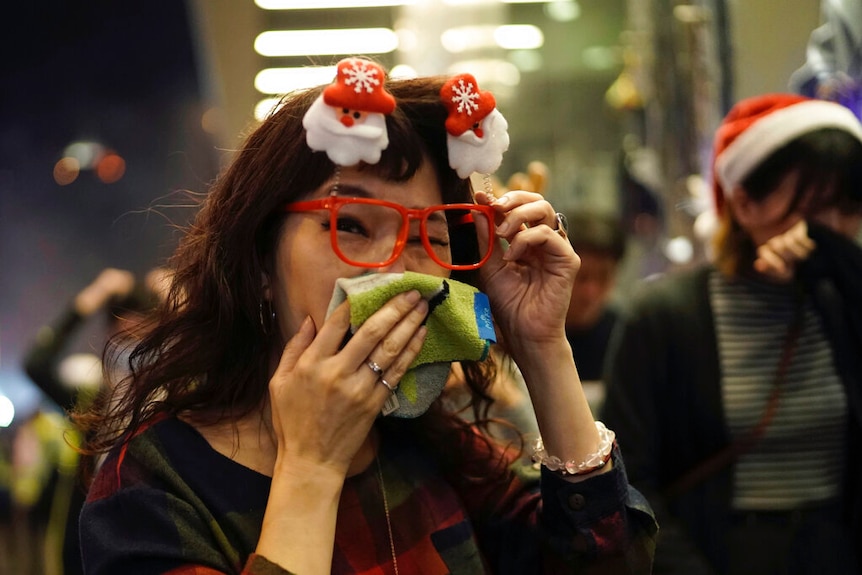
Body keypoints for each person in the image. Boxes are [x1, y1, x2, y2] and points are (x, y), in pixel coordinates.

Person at [74, 58, 657, 574]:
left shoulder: (436, 441)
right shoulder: (153, 485)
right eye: (350, 225)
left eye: (431, 234)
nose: (399, 272)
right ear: (257, 260)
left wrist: (542, 347)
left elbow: (609, 561)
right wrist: (313, 466)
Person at [601, 93, 862, 574]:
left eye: (849, 209)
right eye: (816, 208)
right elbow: (629, 477)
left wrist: (846, 278)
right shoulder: (665, 317)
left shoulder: (841, 302)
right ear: (744, 202)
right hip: (728, 553)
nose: (835, 229)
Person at [22, 267, 166, 575]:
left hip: (154, 548)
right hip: (85, 553)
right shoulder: (90, 404)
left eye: (142, 339)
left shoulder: (176, 401)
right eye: (122, 340)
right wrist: (92, 298)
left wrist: (178, 301)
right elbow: (37, 364)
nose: (131, 355)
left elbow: (235, 371)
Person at [563, 209, 627, 390]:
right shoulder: (531, 333)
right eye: (581, 277)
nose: (590, 292)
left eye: (603, 277)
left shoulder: (625, 337)